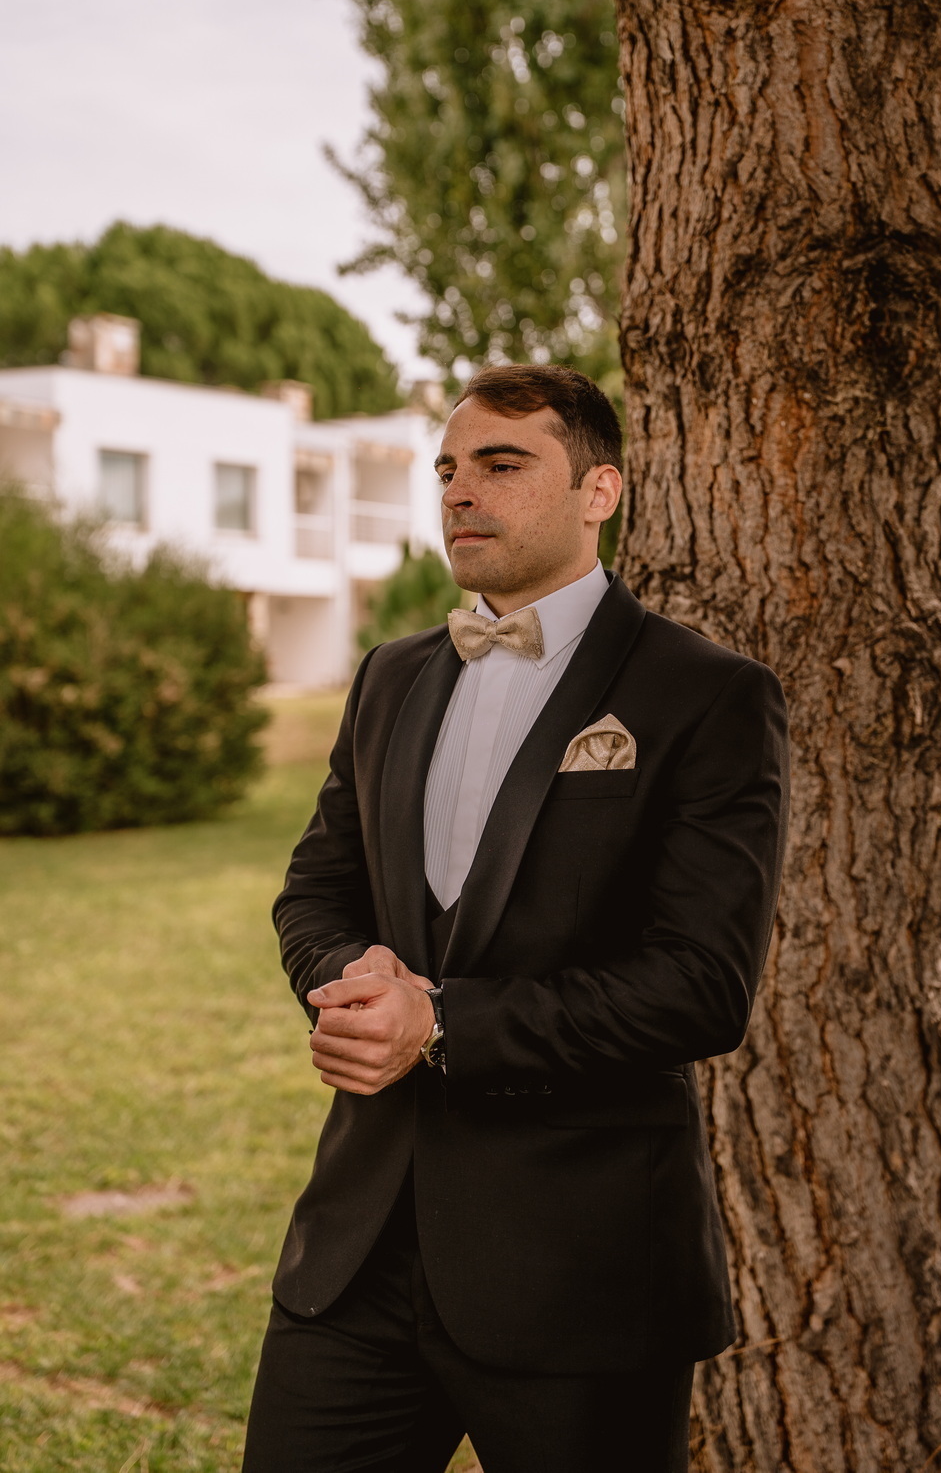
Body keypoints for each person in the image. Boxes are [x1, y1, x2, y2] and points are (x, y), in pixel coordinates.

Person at [242, 364, 789, 1473]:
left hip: (582, 1268)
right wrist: (351, 977)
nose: (460, 490)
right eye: (448, 468)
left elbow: (700, 986)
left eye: (501, 464)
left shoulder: (705, 694)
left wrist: (442, 1021)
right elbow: (315, 889)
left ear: (600, 492)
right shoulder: (389, 677)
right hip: (356, 1250)